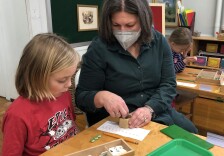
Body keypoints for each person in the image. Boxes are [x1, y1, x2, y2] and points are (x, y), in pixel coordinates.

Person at [75, 0, 198, 133]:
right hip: (117, 122)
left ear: (143, 20)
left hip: (157, 112)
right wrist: (100, 97)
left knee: (193, 135)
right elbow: (82, 97)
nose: (122, 31)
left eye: (130, 25)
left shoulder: (159, 42)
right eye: (116, 25)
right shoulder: (98, 49)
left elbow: (168, 84)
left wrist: (150, 109)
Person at [2, 33, 80, 156]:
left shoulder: (63, 94)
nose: (69, 84)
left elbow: (71, 127)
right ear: (37, 77)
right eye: (62, 80)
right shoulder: (17, 115)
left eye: (71, 77)